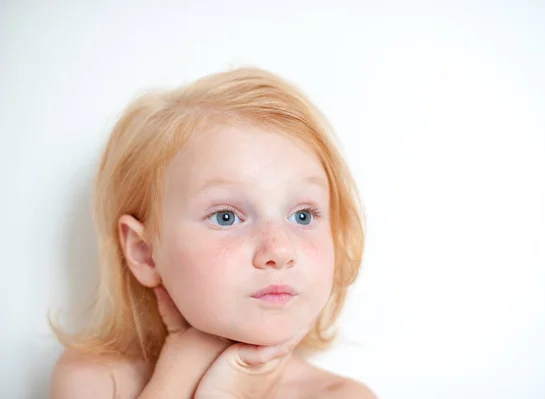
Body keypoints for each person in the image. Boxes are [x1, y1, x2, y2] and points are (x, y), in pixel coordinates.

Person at [49, 67, 375, 398]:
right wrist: (175, 379)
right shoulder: (96, 381)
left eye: (303, 216)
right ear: (144, 252)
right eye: (226, 217)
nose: (279, 251)